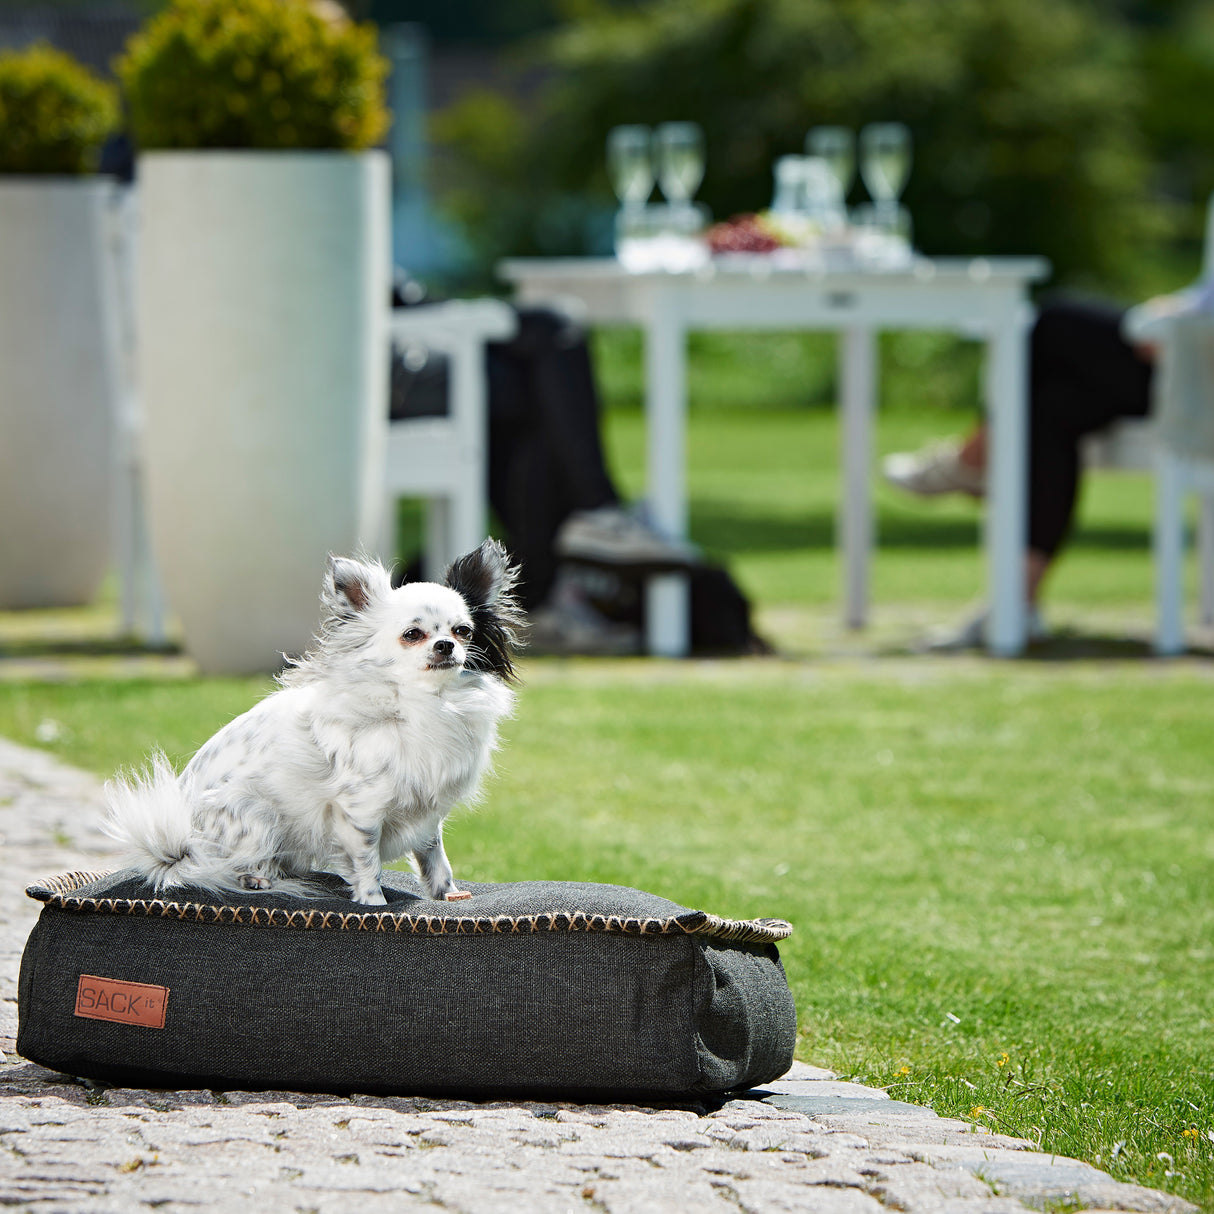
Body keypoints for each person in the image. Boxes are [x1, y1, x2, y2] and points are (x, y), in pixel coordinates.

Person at [390, 274, 766, 655]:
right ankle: (590, 523)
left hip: (400, 338)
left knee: (543, 360)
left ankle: (553, 581)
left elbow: (394, 293)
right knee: (547, 345)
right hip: (383, 361)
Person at [881, 290, 1205, 648]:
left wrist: (1177, 329)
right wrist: (1173, 313)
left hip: (1197, 367)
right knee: (1047, 411)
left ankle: (971, 460)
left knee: (1056, 323)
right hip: (1183, 351)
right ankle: (1018, 602)